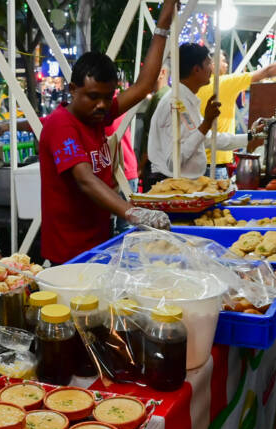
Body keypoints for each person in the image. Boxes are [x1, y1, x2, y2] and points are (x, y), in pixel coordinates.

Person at [37, 0, 175, 266]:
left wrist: (162, 26)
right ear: (72, 89)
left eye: (107, 96)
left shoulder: (97, 115)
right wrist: (134, 213)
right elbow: (85, 180)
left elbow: (145, 83)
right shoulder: (61, 125)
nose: (102, 104)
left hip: (99, 243)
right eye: (92, 96)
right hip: (70, 254)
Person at [147, 43, 262, 182]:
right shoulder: (176, 104)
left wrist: (251, 137)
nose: (212, 69)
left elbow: (208, 138)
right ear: (196, 69)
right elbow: (174, 161)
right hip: (171, 186)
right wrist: (206, 123)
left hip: (182, 184)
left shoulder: (184, 101)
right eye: (208, 64)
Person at [196, 52, 276, 169]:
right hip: (215, 164)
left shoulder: (195, 87)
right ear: (211, 64)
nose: (226, 64)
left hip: (198, 160)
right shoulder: (224, 82)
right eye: (223, 60)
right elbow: (267, 72)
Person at [140, 67, 170, 188]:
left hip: (155, 168)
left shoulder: (160, 98)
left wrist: (140, 166)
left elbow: (152, 137)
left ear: (162, 72)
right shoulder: (164, 95)